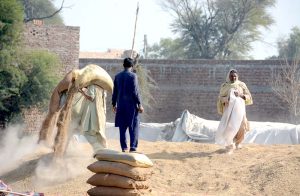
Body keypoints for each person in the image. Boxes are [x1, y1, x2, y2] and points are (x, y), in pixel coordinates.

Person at [215, 69, 253, 154]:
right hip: (228, 110)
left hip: (240, 110)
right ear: (229, 77)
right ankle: (229, 145)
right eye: (231, 76)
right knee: (229, 127)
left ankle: (238, 143)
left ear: (237, 76)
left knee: (242, 125)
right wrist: (227, 99)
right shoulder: (224, 86)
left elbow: (249, 97)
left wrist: (240, 95)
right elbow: (220, 98)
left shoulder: (241, 85)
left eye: (235, 76)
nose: (233, 78)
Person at [112, 57, 144, 153]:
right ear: (132, 66)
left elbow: (115, 92)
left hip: (121, 106)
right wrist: (140, 104)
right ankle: (133, 147)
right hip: (131, 106)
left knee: (122, 127)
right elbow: (135, 92)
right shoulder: (133, 76)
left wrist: (114, 104)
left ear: (123, 65)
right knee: (133, 126)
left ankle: (124, 147)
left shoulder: (117, 76)